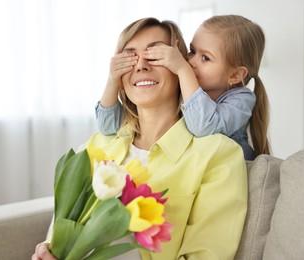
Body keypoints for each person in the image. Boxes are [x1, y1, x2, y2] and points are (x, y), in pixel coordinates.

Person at [33, 17, 247, 260]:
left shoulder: (218, 154)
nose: (141, 66)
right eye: (129, 57)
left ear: (182, 68)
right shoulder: (94, 147)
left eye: (156, 55)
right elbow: (61, 231)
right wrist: (48, 249)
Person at [95, 14, 271, 161]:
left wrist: (181, 69)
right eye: (192, 51)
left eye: (205, 58)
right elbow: (107, 126)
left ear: (235, 75)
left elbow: (203, 126)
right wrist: (113, 79)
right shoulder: (186, 95)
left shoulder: (241, 100)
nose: (190, 62)